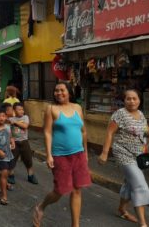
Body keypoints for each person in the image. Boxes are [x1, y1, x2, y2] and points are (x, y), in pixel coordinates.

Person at [33, 81, 91, 227]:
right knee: (60, 190)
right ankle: (41, 206)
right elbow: (47, 132)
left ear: (69, 92)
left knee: (77, 189)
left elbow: (83, 131)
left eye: (62, 90)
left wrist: (86, 151)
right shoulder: (51, 109)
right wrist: (48, 155)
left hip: (79, 154)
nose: (59, 93)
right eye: (56, 91)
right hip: (60, 155)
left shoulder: (77, 107)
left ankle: (75, 225)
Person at [98, 89, 149, 227]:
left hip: (139, 155)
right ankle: (143, 224)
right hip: (123, 153)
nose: (131, 101)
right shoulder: (119, 114)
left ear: (139, 100)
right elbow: (109, 133)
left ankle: (122, 209)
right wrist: (105, 152)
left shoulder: (141, 114)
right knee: (139, 183)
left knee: (130, 183)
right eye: (128, 99)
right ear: (124, 101)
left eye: (134, 98)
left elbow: (147, 131)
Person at [8, 102, 38, 185]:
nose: (22, 111)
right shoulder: (11, 119)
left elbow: (25, 126)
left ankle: (30, 175)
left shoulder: (25, 117)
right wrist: (11, 139)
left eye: (22, 109)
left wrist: (15, 123)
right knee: (12, 159)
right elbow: (8, 130)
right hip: (14, 142)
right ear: (14, 110)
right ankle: (11, 175)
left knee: (28, 159)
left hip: (24, 141)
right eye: (19, 109)